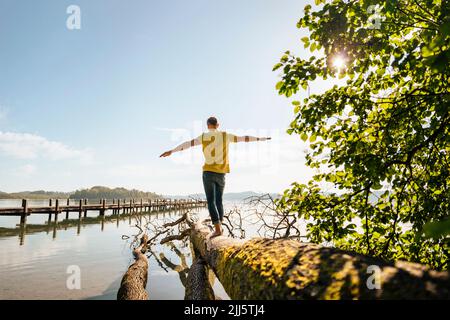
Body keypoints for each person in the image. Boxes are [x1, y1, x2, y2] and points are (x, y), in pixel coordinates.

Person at [160, 117, 271, 237]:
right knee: (219, 201)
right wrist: (260, 139)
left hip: (208, 172)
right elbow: (244, 138)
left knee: (211, 201)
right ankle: (220, 228)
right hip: (221, 173)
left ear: (208, 125)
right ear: (217, 125)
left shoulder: (203, 137)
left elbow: (188, 144)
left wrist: (172, 151)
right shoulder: (225, 136)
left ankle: (218, 230)